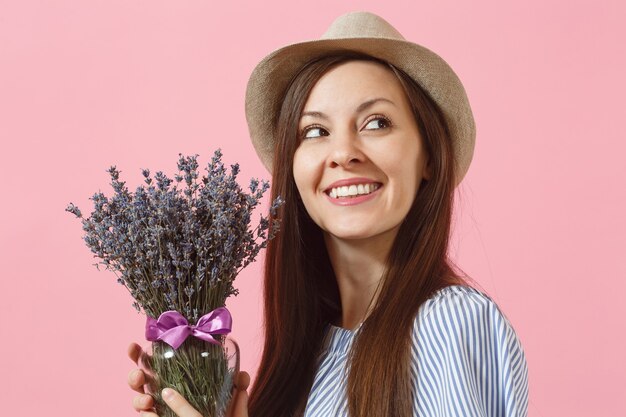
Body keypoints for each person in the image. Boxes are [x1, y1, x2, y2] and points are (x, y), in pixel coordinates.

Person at [128, 11, 529, 417]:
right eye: (315, 131)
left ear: (428, 157)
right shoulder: (312, 349)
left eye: (376, 123)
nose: (342, 153)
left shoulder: (451, 321)